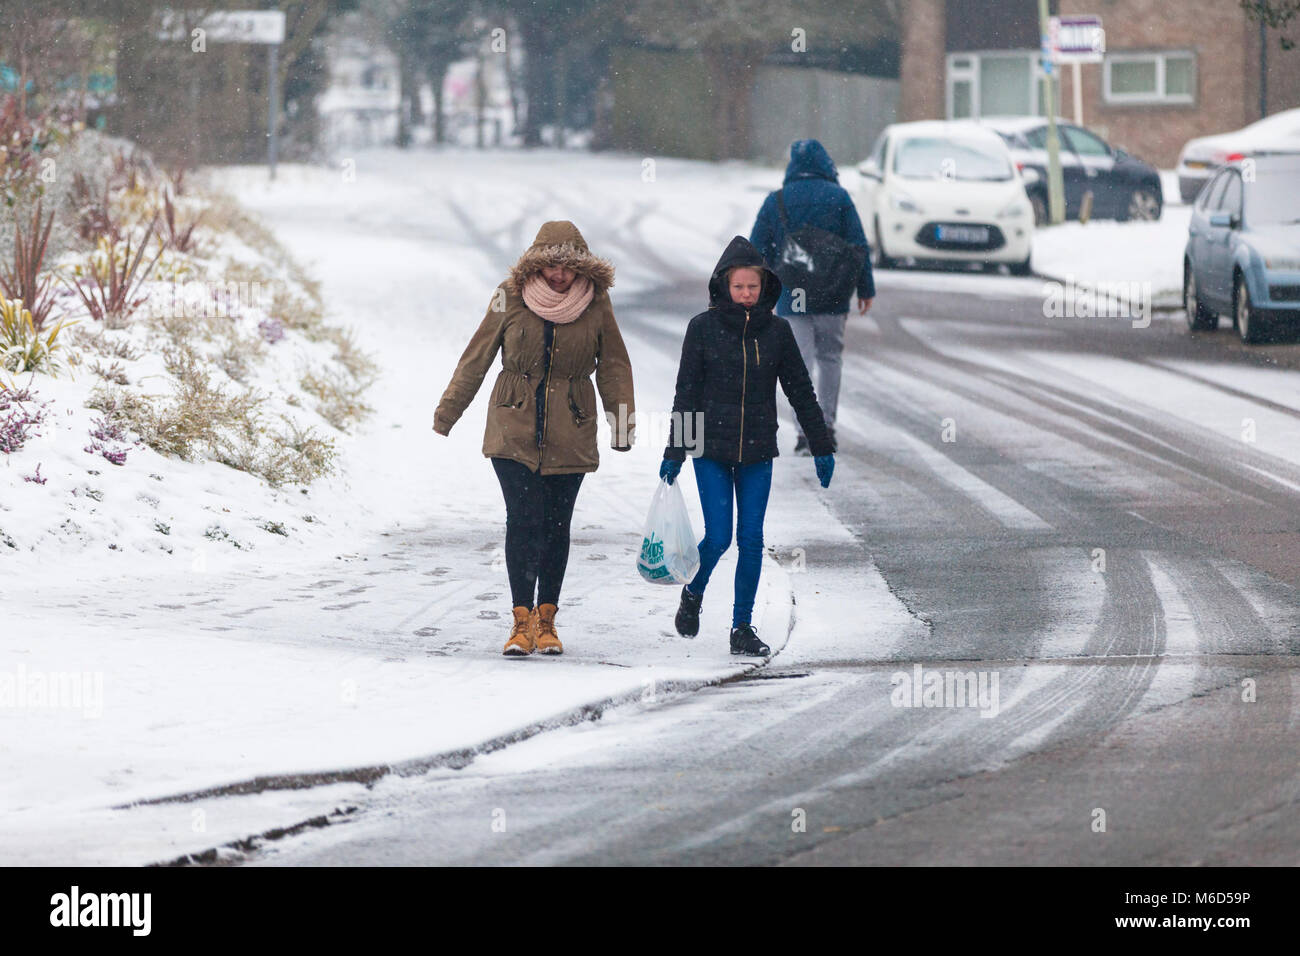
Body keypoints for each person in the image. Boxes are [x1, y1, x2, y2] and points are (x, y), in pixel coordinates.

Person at [434, 221, 635, 657]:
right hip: (513, 424)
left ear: (583, 267)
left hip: (572, 427)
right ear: (536, 263)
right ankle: (520, 621)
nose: (560, 275)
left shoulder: (596, 302)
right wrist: (449, 410)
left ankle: (547, 621)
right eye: (551, 265)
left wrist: (622, 424)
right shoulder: (509, 293)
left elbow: (615, 365)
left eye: (569, 267)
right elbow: (477, 356)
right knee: (523, 519)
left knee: (556, 525)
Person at [659, 236, 834, 657]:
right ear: (723, 286)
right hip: (711, 450)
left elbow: (801, 391)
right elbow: (686, 391)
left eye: (752, 287)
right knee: (718, 537)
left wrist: (820, 442)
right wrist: (675, 451)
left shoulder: (777, 332)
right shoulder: (701, 329)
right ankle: (694, 593)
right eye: (738, 287)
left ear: (764, 287)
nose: (745, 294)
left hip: (757, 451)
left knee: (751, 539)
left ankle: (741, 627)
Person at [750, 138, 874, 455]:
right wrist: (865, 288)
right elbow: (859, 245)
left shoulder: (776, 201)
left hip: (794, 295)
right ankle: (827, 426)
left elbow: (756, 250)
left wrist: (756, 292)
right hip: (834, 294)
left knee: (799, 363)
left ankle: (807, 432)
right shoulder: (840, 197)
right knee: (830, 357)